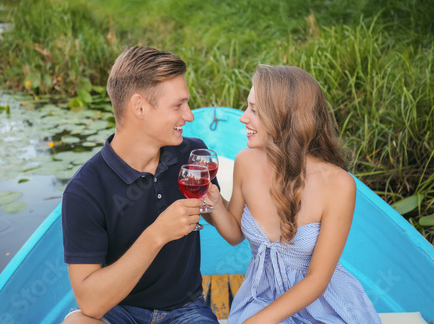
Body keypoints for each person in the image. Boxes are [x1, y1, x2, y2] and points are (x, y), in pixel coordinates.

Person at [207, 65, 381, 323]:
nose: (243, 118)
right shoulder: (246, 162)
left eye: (254, 110)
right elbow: (234, 235)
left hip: (322, 304)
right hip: (261, 297)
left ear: (284, 117)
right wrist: (214, 203)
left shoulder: (338, 184)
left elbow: (317, 281)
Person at [61, 46, 219, 323]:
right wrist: (157, 234)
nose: (190, 115)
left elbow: (226, 221)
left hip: (186, 311)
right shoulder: (84, 190)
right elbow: (90, 303)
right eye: (178, 105)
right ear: (139, 107)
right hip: (118, 310)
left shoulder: (192, 157)